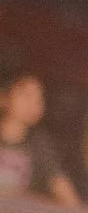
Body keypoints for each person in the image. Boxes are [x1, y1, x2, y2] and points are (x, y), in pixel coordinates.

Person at [0, 72, 78, 206]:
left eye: (39, 98)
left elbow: (61, 186)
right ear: (4, 98)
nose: (33, 103)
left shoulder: (39, 146)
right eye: (26, 95)